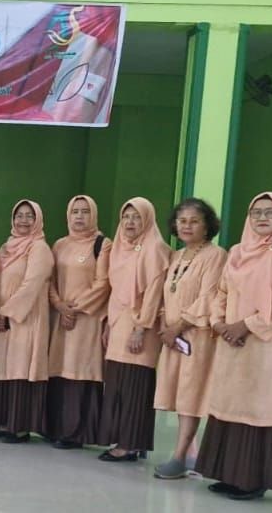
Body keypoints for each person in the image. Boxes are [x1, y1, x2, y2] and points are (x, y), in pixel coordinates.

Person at [195, 192, 272, 500]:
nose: (262, 218)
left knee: (258, 410)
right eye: (256, 212)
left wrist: (247, 325)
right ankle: (229, 474)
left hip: (267, 346)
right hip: (232, 342)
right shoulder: (238, 251)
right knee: (229, 406)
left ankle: (253, 480)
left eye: (270, 212)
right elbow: (221, 292)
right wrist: (219, 323)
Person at [152, 198, 226, 479]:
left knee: (190, 394)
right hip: (173, 337)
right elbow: (167, 294)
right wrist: (165, 325)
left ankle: (180, 456)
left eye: (194, 221)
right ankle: (191, 453)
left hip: (196, 336)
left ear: (207, 226)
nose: (187, 226)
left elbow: (208, 297)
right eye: (182, 221)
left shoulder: (216, 256)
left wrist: (178, 326)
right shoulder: (177, 256)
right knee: (178, 393)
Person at [97, 197, 170, 461]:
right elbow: (115, 290)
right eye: (126, 216)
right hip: (119, 323)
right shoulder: (119, 247)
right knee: (117, 384)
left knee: (135, 386)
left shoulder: (155, 249)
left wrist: (141, 328)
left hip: (141, 326)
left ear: (147, 219)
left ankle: (129, 444)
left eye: (137, 217)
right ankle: (125, 439)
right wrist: (109, 323)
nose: (130, 222)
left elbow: (154, 293)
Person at [0, 200, 52, 443]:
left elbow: (32, 284)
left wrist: (8, 313)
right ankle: (0, 420)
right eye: (19, 215)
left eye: (29, 216)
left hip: (25, 318)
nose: (23, 220)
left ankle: (18, 426)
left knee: (19, 369)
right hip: (0, 318)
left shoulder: (39, 248)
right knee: (0, 368)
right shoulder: (6, 247)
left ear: (37, 220)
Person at [46, 195, 111, 450]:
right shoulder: (60, 244)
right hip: (60, 317)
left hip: (87, 320)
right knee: (59, 368)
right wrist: (59, 305)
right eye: (75, 211)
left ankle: (76, 432)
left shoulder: (102, 244)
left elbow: (103, 283)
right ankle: (55, 427)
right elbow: (50, 281)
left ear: (93, 215)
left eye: (85, 211)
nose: (80, 216)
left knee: (80, 370)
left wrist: (75, 308)